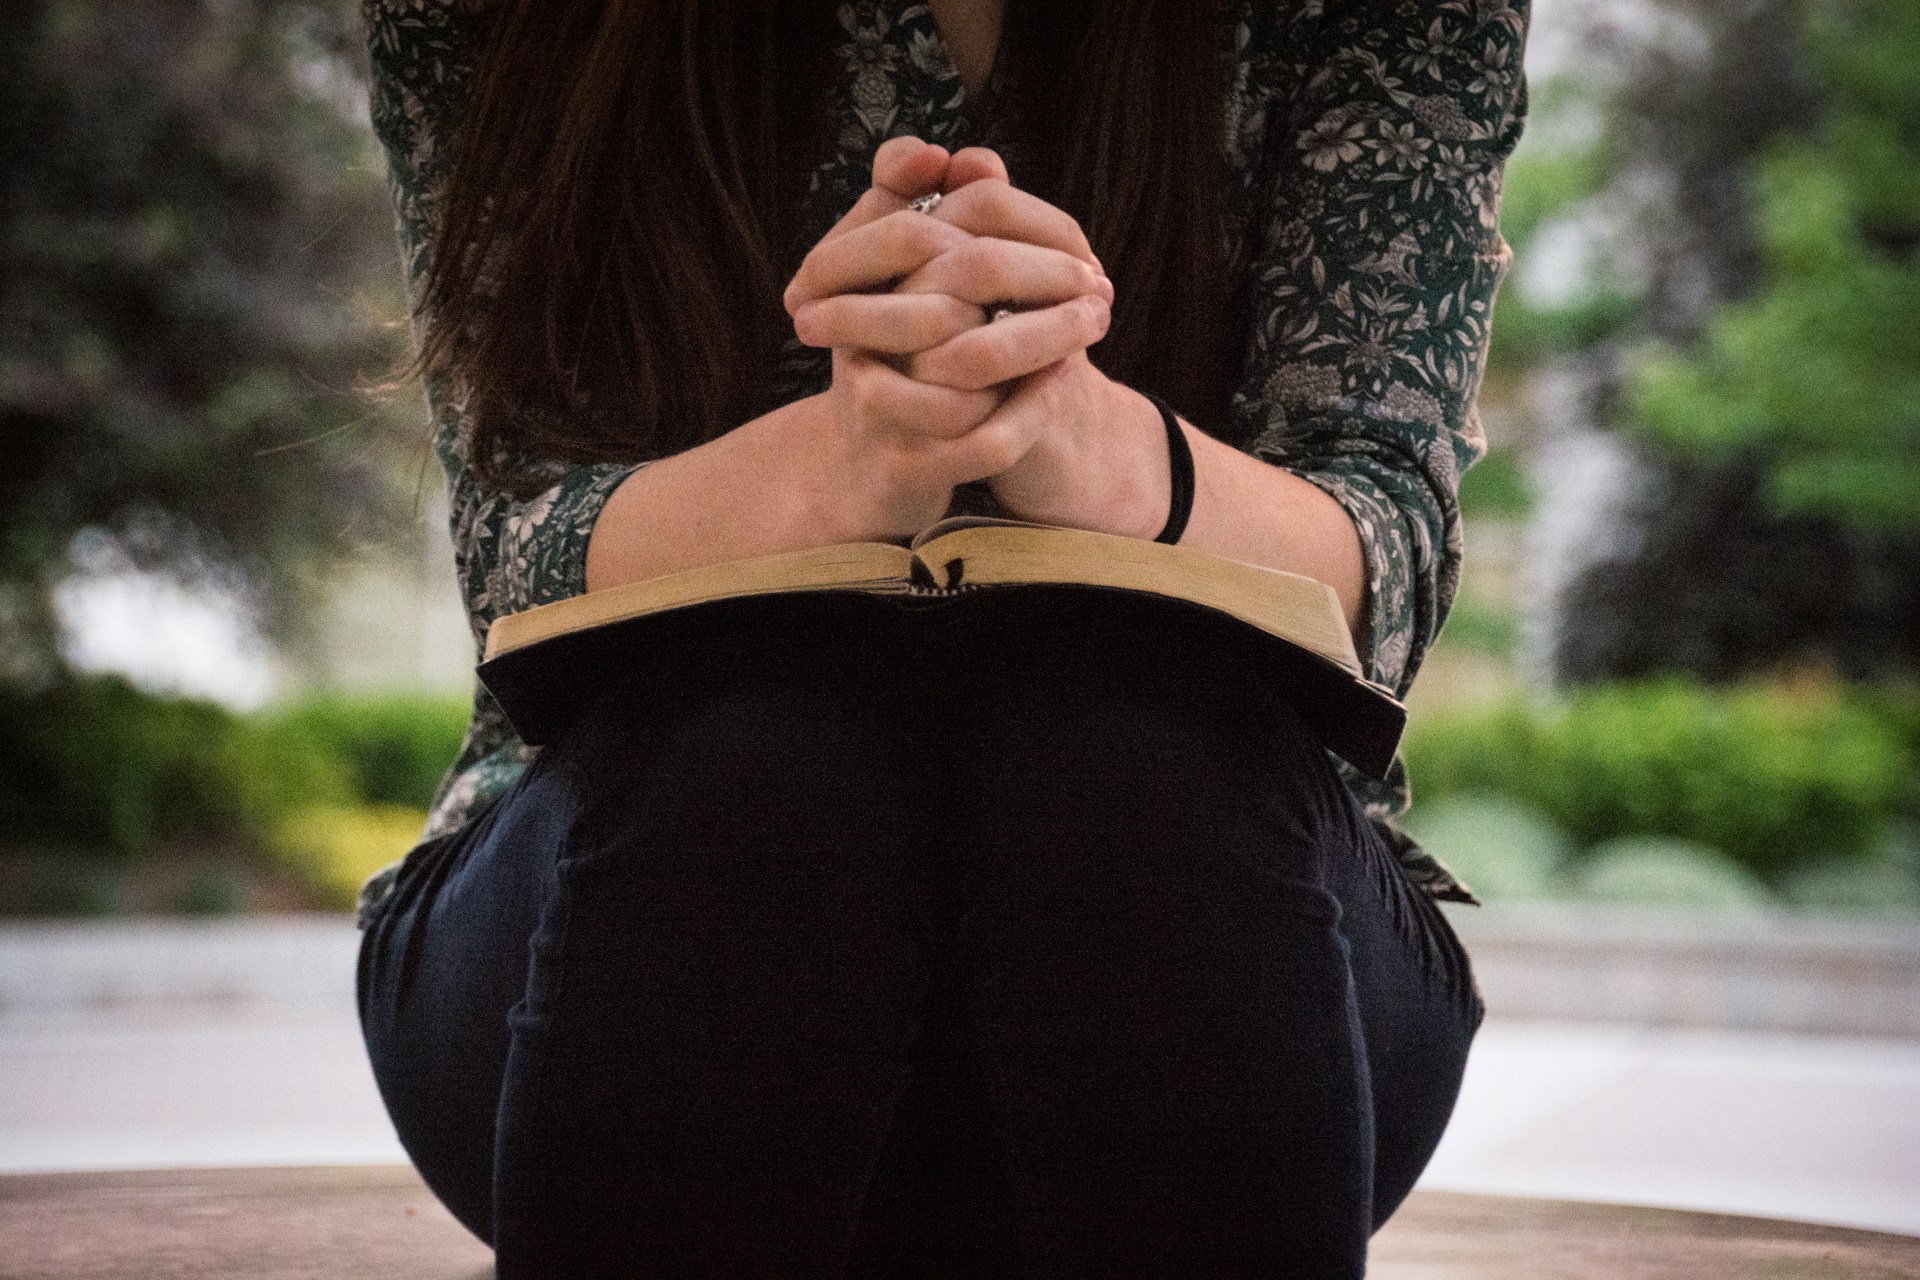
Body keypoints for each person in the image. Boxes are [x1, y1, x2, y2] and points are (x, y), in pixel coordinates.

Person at [354, 1, 1529, 1274]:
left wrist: (1085, 440)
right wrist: (842, 460)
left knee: (1128, 764)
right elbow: (511, 556)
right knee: (757, 765)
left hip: (1228, 932)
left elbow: (1387, 558)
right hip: (608, 941)